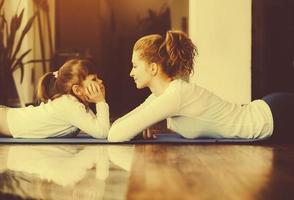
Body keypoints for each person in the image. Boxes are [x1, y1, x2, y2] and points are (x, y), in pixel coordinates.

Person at [108, 30, 294, 142]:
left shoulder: (176, 95)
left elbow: (115, 135)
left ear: (153, 68)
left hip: (274, 117)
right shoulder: (160, 96)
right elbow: (117, 128)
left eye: (134, 66)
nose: (131, 73)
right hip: (272, 113)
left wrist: (135, 128)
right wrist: (137, 128)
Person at [0, 59, 110, 138]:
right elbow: (101, 132)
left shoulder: (73, 104)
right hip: (5, 121)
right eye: (94, 79)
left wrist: (99, 101)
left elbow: (100, 126)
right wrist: (100, 101)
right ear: (77, 90)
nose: (100, 81)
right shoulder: (70, 106)